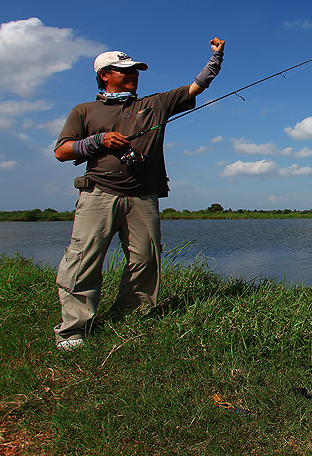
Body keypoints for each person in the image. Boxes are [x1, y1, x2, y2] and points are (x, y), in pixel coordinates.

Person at [52, 37, 226, 351]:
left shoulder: (154, 104)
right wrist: (99, 141)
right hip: (98, 195)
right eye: (124, 71)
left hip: (144, 196)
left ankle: (130, 316)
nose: (132, 75)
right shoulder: (84, 111)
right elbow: (62, 151)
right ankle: (73, 330)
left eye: (135, 71)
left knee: (146, 260)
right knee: (84, 260)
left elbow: (196, 87)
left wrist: (216, 58)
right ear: (104, 74)